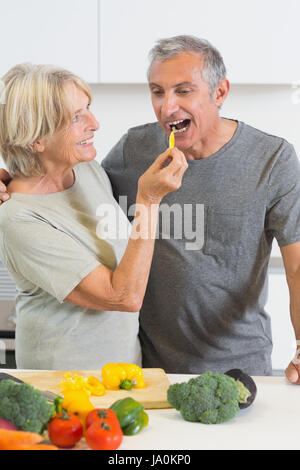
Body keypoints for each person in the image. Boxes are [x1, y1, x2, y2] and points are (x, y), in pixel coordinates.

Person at [1, 36, 300, 381]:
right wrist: (13, 180)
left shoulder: (272, 159)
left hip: (238, 363)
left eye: (183, 91)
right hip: (146, 369)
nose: (167, 107)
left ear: (219, 93)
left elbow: (296, 267)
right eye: (157, 91)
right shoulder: (133, 150)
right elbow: (46, 185)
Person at [0, 63, 187, 370]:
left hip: (120, 374)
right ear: (37, 139)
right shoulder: (19, 218)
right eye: (76, 117)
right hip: (66, 385)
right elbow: (123, 296)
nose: (95, 123)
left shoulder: (87, 171)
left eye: (88, 108)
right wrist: (149, 200)